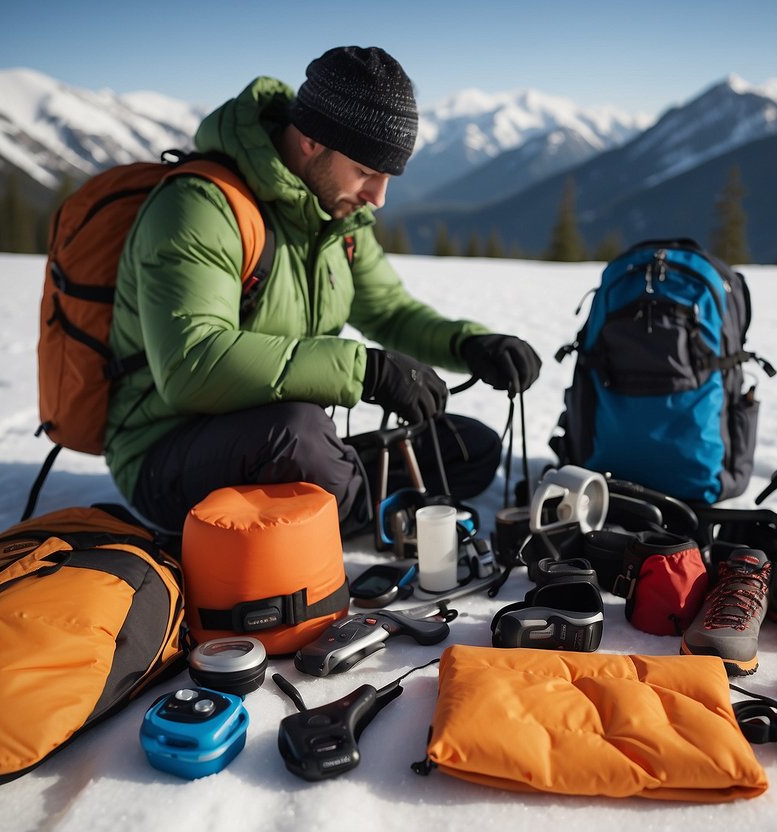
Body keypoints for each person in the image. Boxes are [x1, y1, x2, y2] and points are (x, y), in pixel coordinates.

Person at [105, 45, 541, 533]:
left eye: (388, 176)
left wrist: (470, 344)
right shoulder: (201, 207)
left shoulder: (338, 214)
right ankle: (365, 514)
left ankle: (342, 497)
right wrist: (366, 370)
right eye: (366, 172)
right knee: (298, 434)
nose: (377, 199)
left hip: (283, 433)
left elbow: (390, 312)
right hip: (166, 451)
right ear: (312, 140)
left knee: (469, 449)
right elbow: (191, 363)